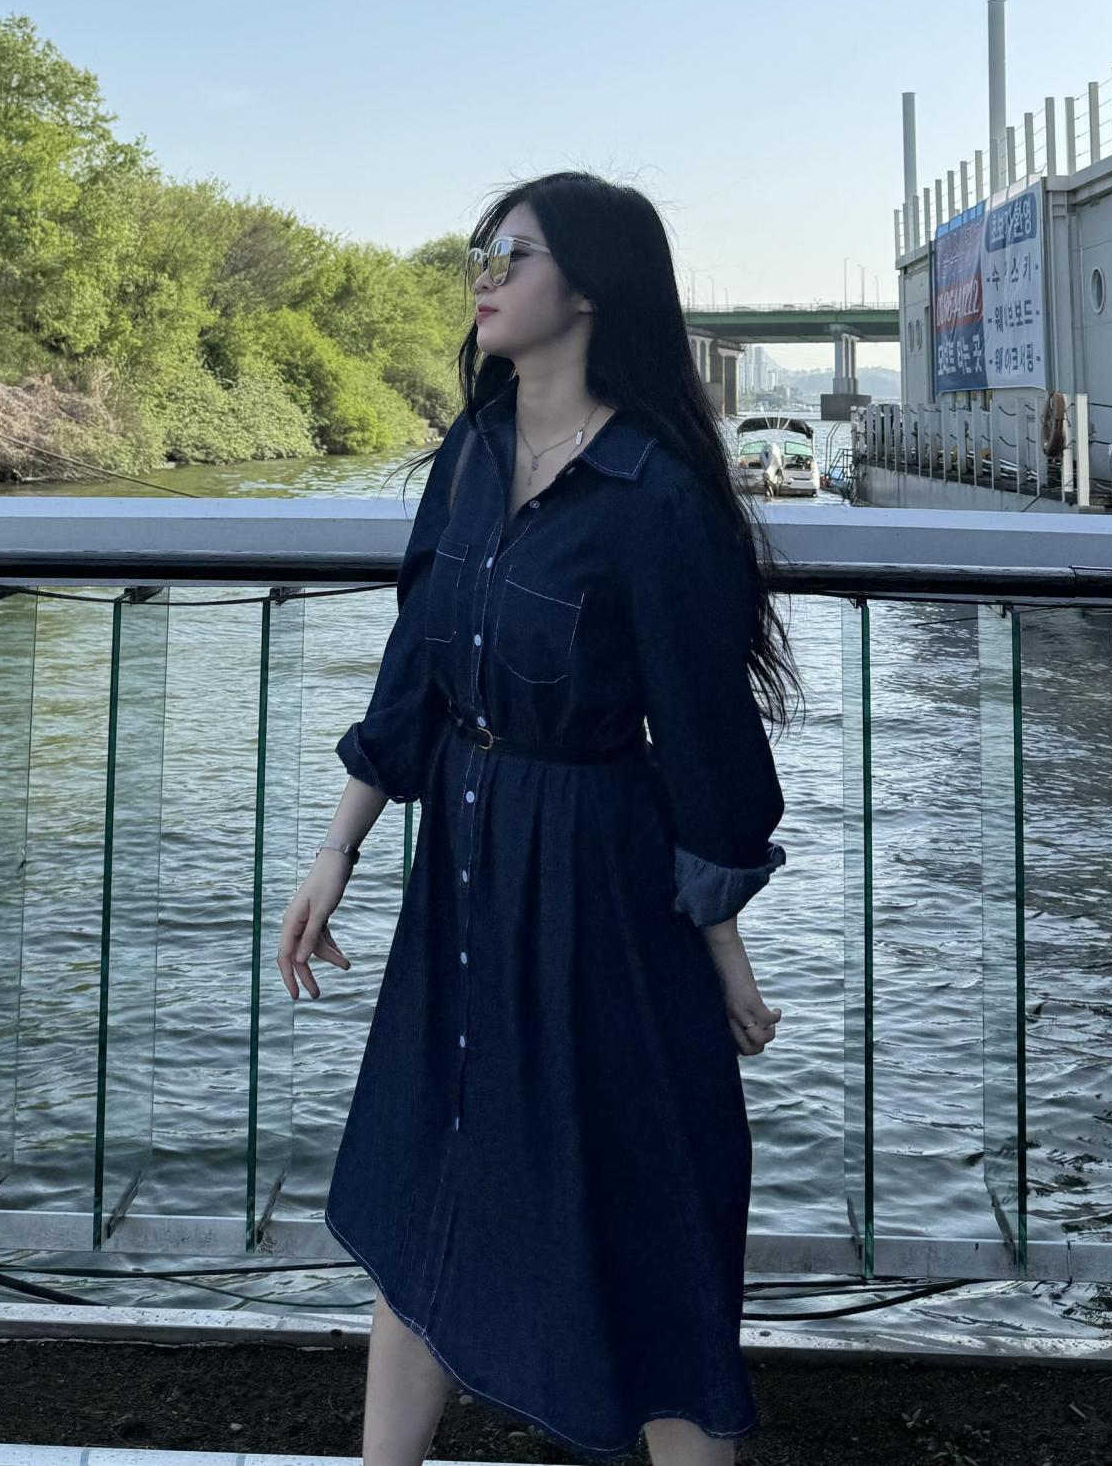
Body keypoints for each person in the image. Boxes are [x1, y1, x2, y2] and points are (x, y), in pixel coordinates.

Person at [277, 170, 800, 1465]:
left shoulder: (654, 493)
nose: (486, 272)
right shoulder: (470, 454)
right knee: (428, 1181)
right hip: (464, 863)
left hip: (597, 886)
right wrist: (337, 847)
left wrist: (721, 941)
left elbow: (705, 743)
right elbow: (416, 666)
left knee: (641, 1209)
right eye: (483, 248)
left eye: (515, 252)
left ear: (592, 289)